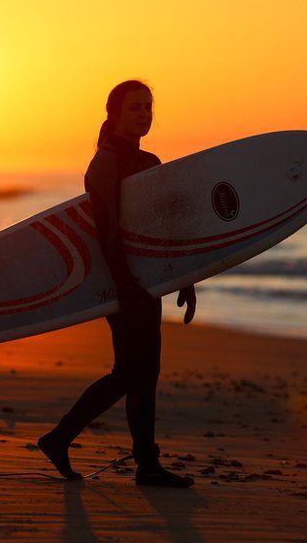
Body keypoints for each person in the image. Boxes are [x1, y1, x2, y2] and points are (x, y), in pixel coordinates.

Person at [38, 80, 197, 488]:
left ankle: (143, 463)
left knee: (142, 373)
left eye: (148, 107)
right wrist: (125, 287)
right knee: (131, 373)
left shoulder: (150, 161)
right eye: (134, 108)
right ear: (114, 114)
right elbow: (108, 232)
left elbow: (162, 230)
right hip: (121, 282)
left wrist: (185, 276)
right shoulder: (106, 163)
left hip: (149, 282)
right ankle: (65, 439)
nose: (143, 114)